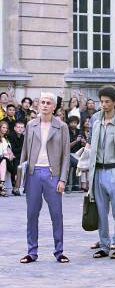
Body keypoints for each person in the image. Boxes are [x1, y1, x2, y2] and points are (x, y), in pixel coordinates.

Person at [19, 92, 70, 264]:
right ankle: (31, 252)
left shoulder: (61, 126)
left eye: (49, 103)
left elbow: (66, 155)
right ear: (38, 105)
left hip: (52, 174)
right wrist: (22, 177)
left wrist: (62, 179)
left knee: (57, 214)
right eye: (42, 102)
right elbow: (24, 151)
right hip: (33, 174)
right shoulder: (31, 125)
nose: (45, 105)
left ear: (54, 106)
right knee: (32, 214)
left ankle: (59, 251)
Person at [87, 85, 115, 259]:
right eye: (102, 101)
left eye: (107, 102)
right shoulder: (96, 119)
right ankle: (104, 245)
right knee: (101, 209)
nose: (103, 105)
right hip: (98, 170)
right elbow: (91, 144)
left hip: (114, 170)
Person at [8, 120, 26, 196]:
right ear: (15, 128)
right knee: (18, 162)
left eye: (22, 127)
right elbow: (13, 150)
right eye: (18, 127)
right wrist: (23, 149)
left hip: (21, 157)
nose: (20, 129)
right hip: (13, 157)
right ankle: (16, 186)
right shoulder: (11, 136)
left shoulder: (23, 137)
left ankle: (22, 186)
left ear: (24, 129)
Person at [0, 121, 14, 196]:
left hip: (5, 159)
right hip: (2, 157)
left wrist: (11, 154)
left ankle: (2, 185)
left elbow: (8, 149)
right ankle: (2, 186)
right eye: (3, 127)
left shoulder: (6, 139)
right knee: (3, 160)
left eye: (6, 128)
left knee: (4, 160)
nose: (5, 129)